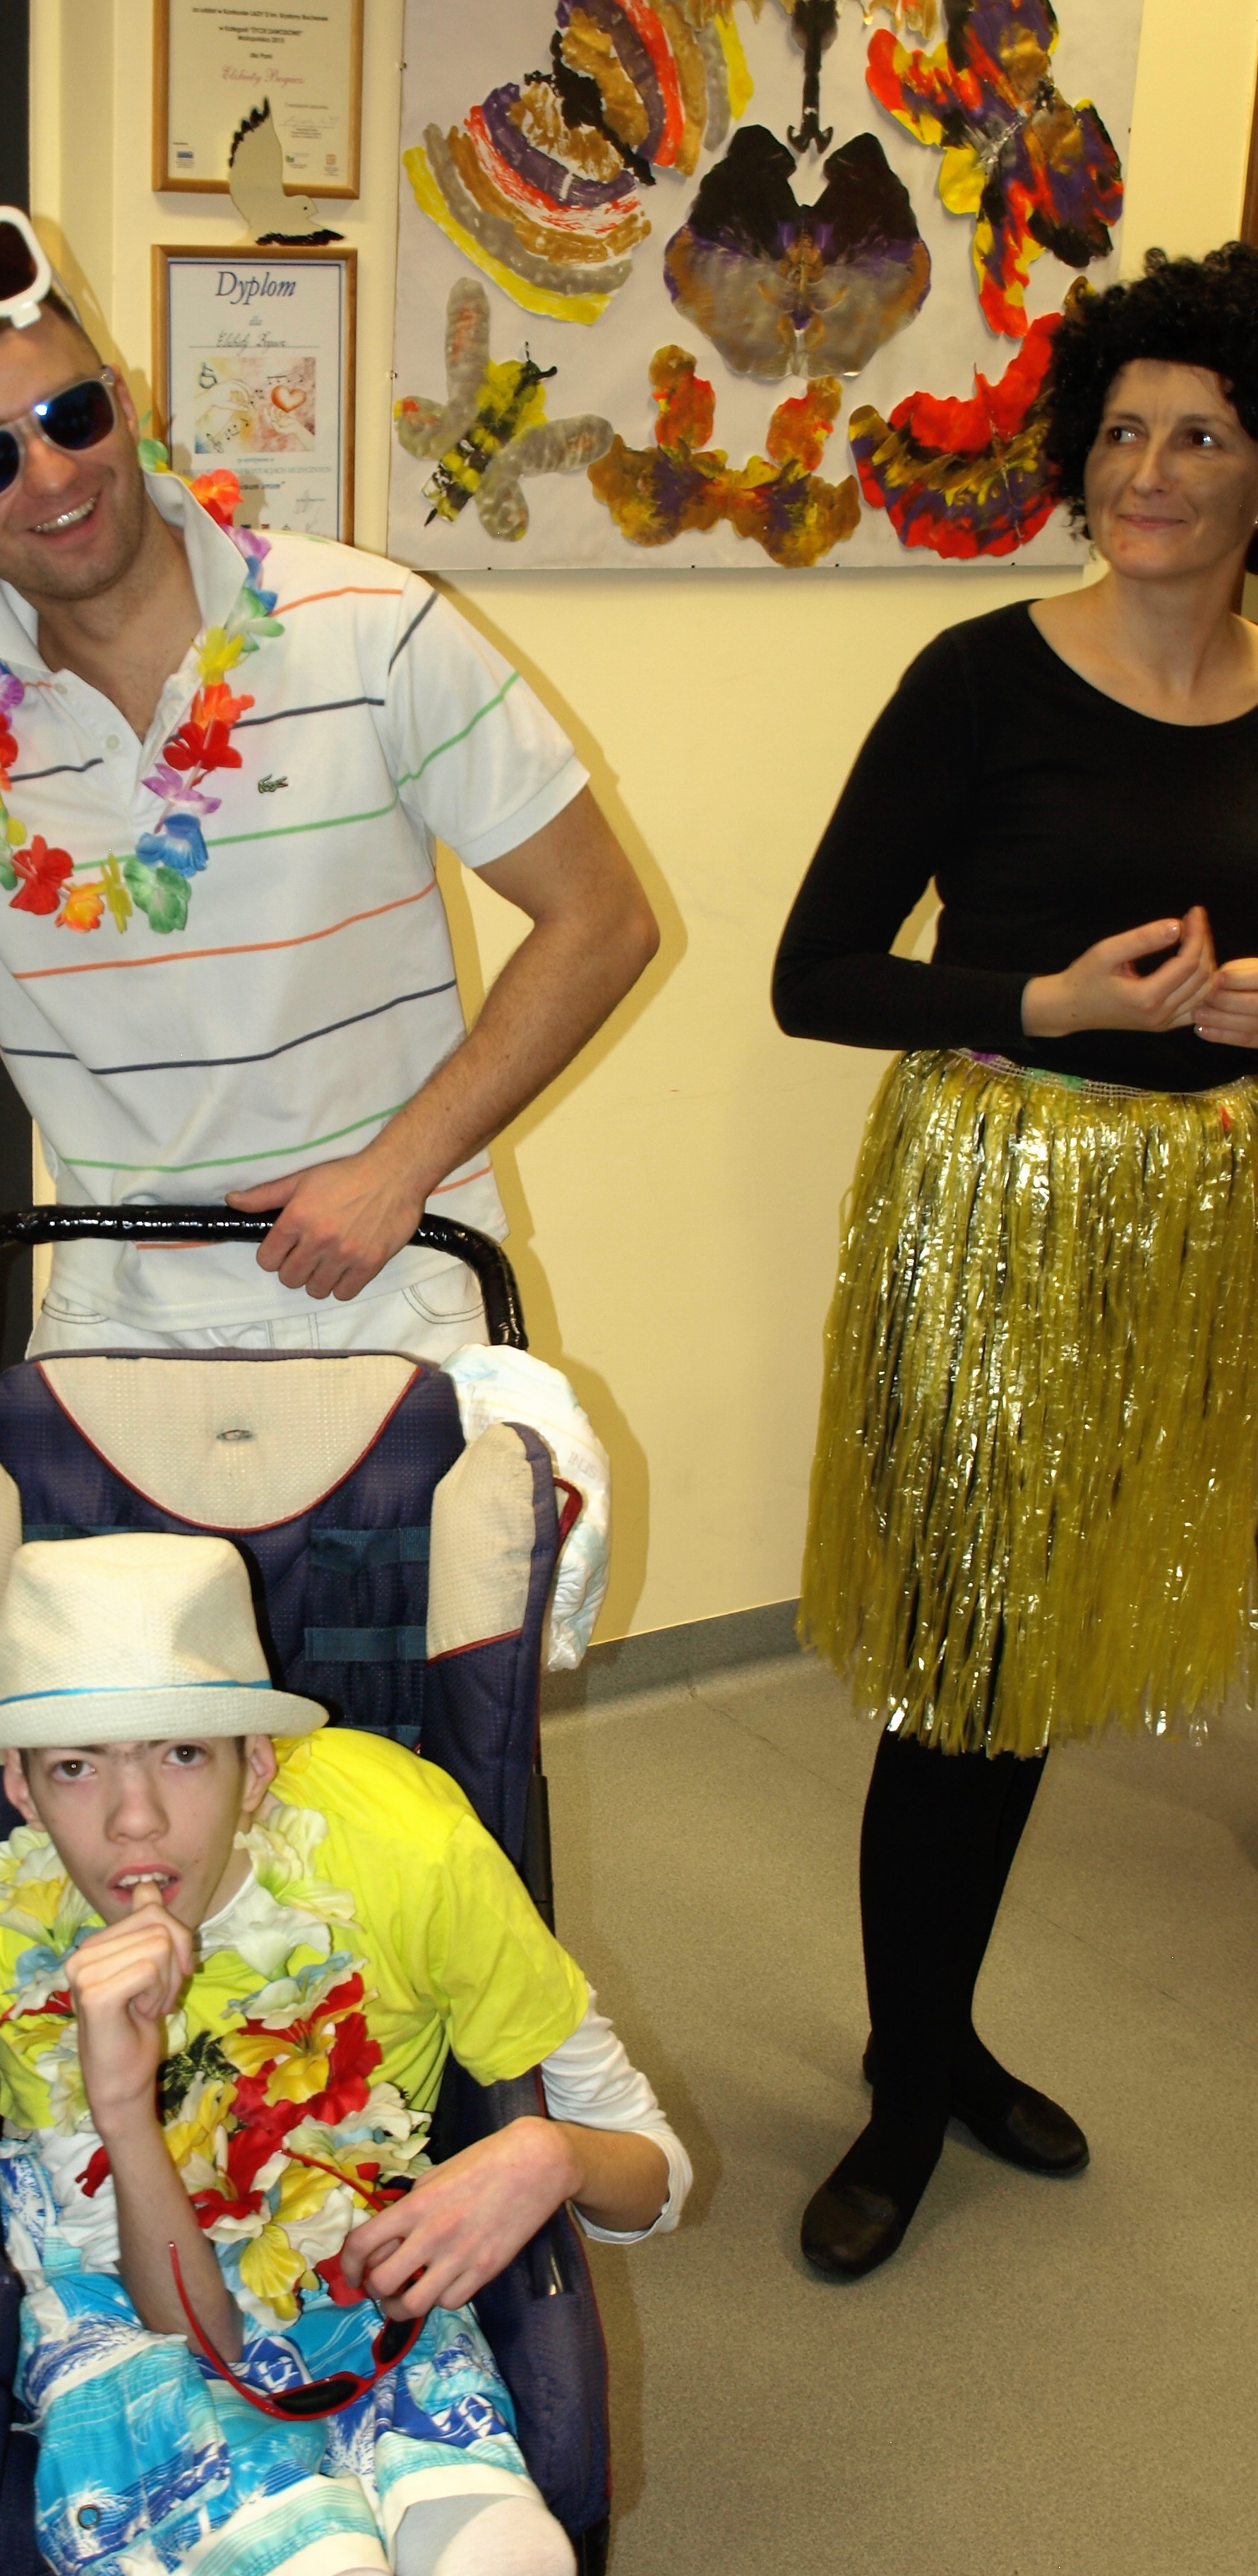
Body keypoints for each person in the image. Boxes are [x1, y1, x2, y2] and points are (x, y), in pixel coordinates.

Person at [0, 208, 658, 1358]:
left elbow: (602, 918)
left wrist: (399, 1167)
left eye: (68, 416)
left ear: (126, 405)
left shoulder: (370, 628)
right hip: (113, 1334)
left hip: (397, 1295)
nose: (49, 474)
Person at [772, 242, 1258, 2280]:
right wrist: (1045, 1002)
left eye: (1205, 434)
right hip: (996, 1218)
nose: (1153, 468)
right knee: (960, 1675)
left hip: (1190, 1231)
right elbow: (816, 975)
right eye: (1126, 429)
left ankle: (946, 2034)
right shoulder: (977, 679)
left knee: (1037, 1668)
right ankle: (909, 2084)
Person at [0, 1531, 689, 2576]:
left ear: (258, 1766)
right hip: (142, 2299)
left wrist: (553, 2153)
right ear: (20, 1790)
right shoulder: (4, 1933)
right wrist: (121, 2109)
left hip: (360, 2258)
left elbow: (656, 2174)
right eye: (75, 1766)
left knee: (514, 2555)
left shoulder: (410, 1853)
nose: (133, 1822)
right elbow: (185, 2328)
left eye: (184, 1753)